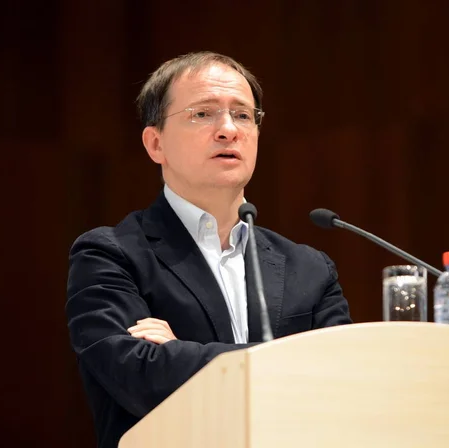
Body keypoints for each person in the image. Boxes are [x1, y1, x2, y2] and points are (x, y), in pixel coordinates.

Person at [66, 51, 352, 448]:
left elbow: (345, 385)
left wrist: (181, 352)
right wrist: (288, 362)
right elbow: (139, 381)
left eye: (243, 115)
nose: (227, 130)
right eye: (202, 114)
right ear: (155, 143)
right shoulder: (110, 254)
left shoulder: (309, 268)